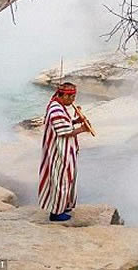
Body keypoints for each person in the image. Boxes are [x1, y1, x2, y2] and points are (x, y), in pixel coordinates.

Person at [38, 82, 90, 221]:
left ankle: (64, 205)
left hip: (65, 150)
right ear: (64, 95)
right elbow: (64, 132)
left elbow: (66, 123)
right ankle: (56, 212)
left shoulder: (58, 106)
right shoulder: (56, 110)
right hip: (59, 152)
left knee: (68, 178)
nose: (73, 100)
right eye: (71, 97)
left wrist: (76, 120)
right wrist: (83, 129)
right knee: (61, 180)